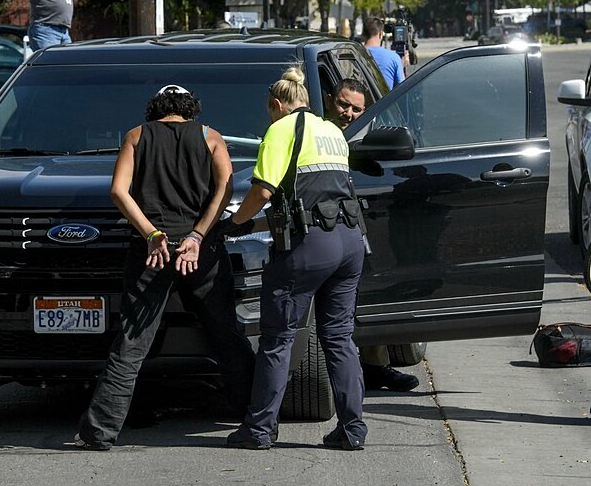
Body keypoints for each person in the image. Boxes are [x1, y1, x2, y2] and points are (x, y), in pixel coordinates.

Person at [75, 85, 255, 450]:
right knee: (225, 332)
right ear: (191, 108)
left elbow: (118, 191)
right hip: (200, 252)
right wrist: (198, 235)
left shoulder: (136, 136)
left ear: (155, 108)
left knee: (131, 342)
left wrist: (152, 234)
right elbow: (225, 188)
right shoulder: (211, 137)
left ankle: (99, 431)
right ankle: (257, 413)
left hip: (151, 253)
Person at [223, 66, 367, 451]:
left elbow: (262, 191)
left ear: (276, 104)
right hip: (349, 241)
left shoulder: (282, 129)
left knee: (277, 338)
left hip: (309, 247)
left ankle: (259, 430)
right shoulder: (332, 131)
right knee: (339, 337)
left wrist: (235, 223)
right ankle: (352, 429)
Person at [324, 78, 420, 393]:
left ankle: (375, 367)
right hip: (318, 227)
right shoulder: (315, 131)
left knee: (369, 289)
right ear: (329, 99)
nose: (348, 113)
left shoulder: (368, 135)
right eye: (343, 104)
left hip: (359, 222)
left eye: (357, 109)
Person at [362, 17, 404, 90]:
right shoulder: (393, 57)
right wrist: (402, 65)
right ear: (380, 34)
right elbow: (402, 88)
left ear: (363, 34)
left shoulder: (354, 54)